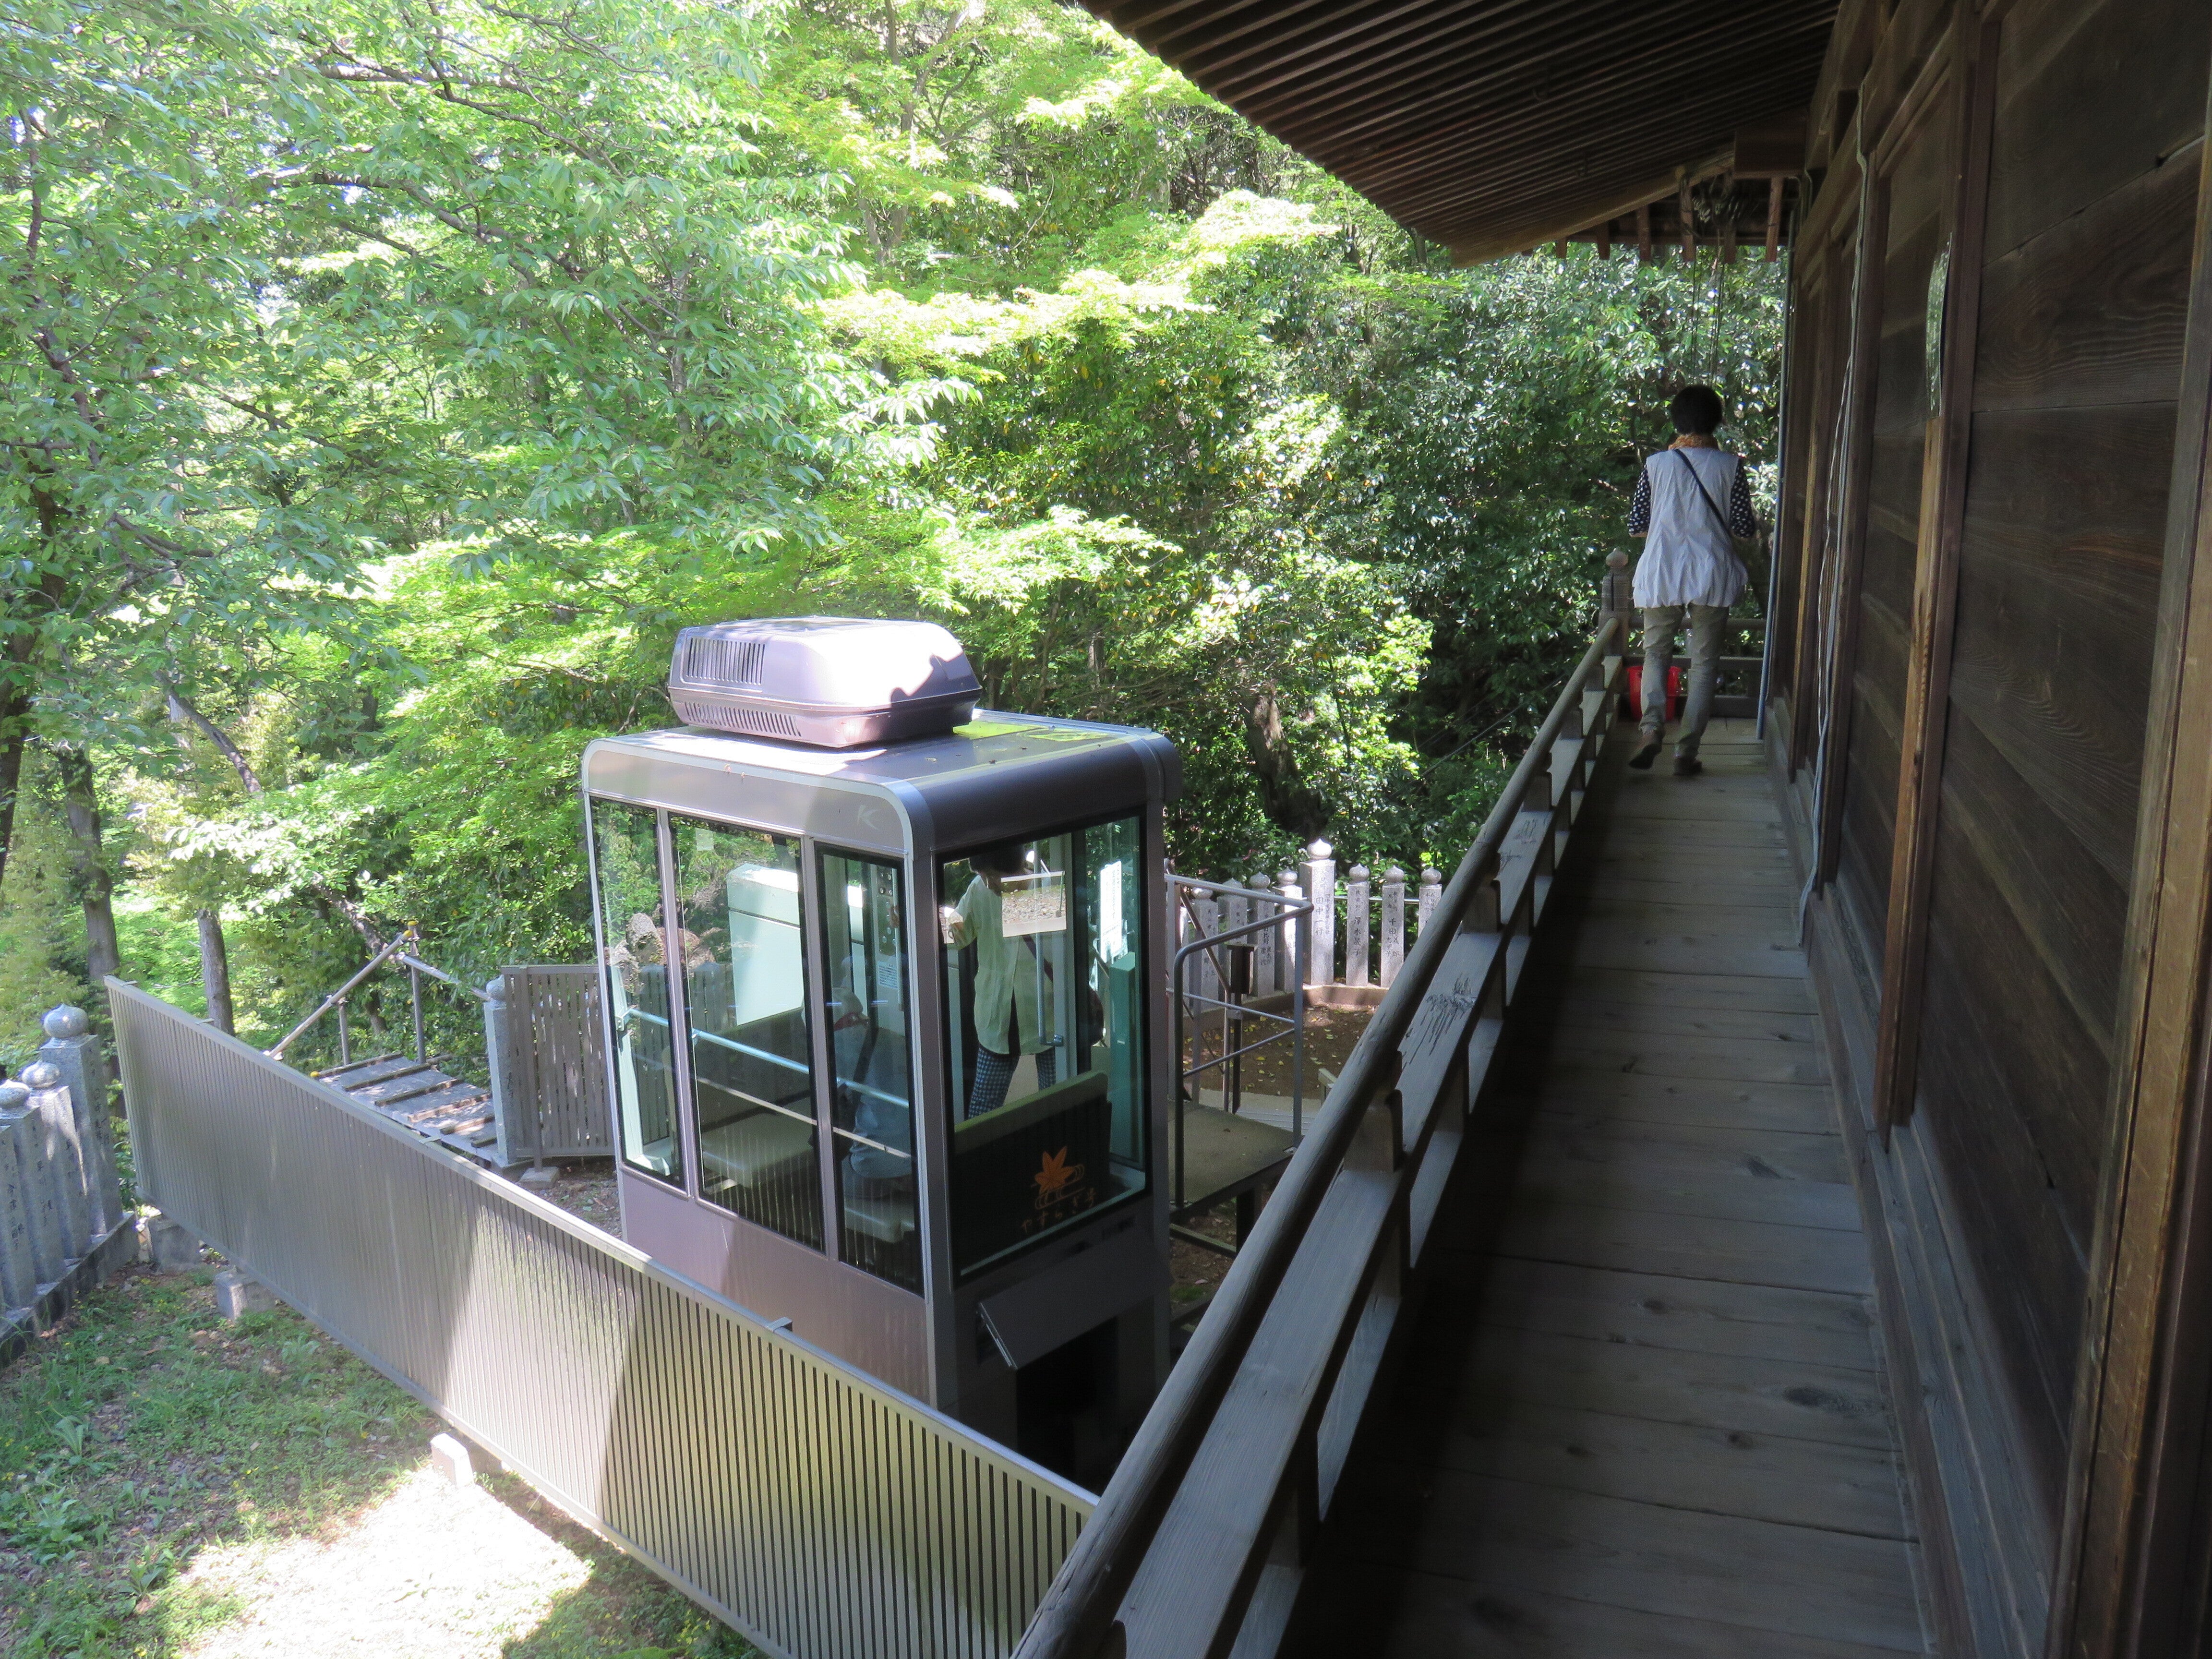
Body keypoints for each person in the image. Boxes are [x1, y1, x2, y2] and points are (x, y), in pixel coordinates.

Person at [1626, 384, 1759, 777]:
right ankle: (1686, 753)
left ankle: (1651, 730)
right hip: (1711, 571)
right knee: (1704, 664)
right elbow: (1744, 529)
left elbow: (1637, 526)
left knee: (1656, 654)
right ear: (1717, 421)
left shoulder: (1656, 465)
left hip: (1663, 570)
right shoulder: (1730, 466)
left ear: (1677, 421)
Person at [941, 842, 1061, 1118]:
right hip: (998, 1013)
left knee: (1056, 1100)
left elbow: (1070, 953)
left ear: (1015, 868)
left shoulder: (1045, 890)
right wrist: (914, 921)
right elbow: (957, 934)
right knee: (983, 1104)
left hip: (1049, 1012)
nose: (988, 883)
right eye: (983, 876)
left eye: (993, 876)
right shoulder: (980, 889)